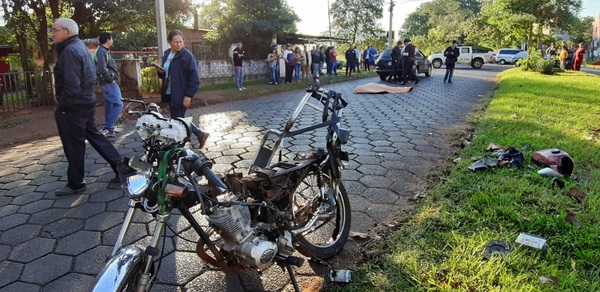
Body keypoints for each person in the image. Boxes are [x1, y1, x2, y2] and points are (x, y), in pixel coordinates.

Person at [51, 18, 124, 196]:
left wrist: (62, 105)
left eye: (55, 30)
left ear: (67, 31)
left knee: (74, 145)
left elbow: (72, 85)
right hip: (85, 102)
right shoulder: (79, 48)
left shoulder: (69, 50)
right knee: (96, 137)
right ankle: (122, 167)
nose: (52, 34)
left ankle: (76, 183)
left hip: (74, 106)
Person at [157, 30, 209, 148]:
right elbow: (166, 73)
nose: (179, 44)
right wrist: (160, 73)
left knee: (178, 121)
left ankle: (179, 147)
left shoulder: (187, 56)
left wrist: (188, 95)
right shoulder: (166, 54)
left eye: (181, 42)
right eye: (176, 42)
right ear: (169, 42)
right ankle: (200, 135)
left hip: (181, 93)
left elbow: (194, 79)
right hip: (169, 92)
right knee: (177, 120)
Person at [94, 32, 123, 138]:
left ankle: (109, 128)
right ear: (107, 40)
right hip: (108, 82)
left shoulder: (103, 51)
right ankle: (108, 127)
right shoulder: (102, 51)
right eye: (111, 39)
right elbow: (102, 68)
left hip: (106, 82)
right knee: (118, 104)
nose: (112, 41)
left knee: (109, 105)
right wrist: (111, 79)